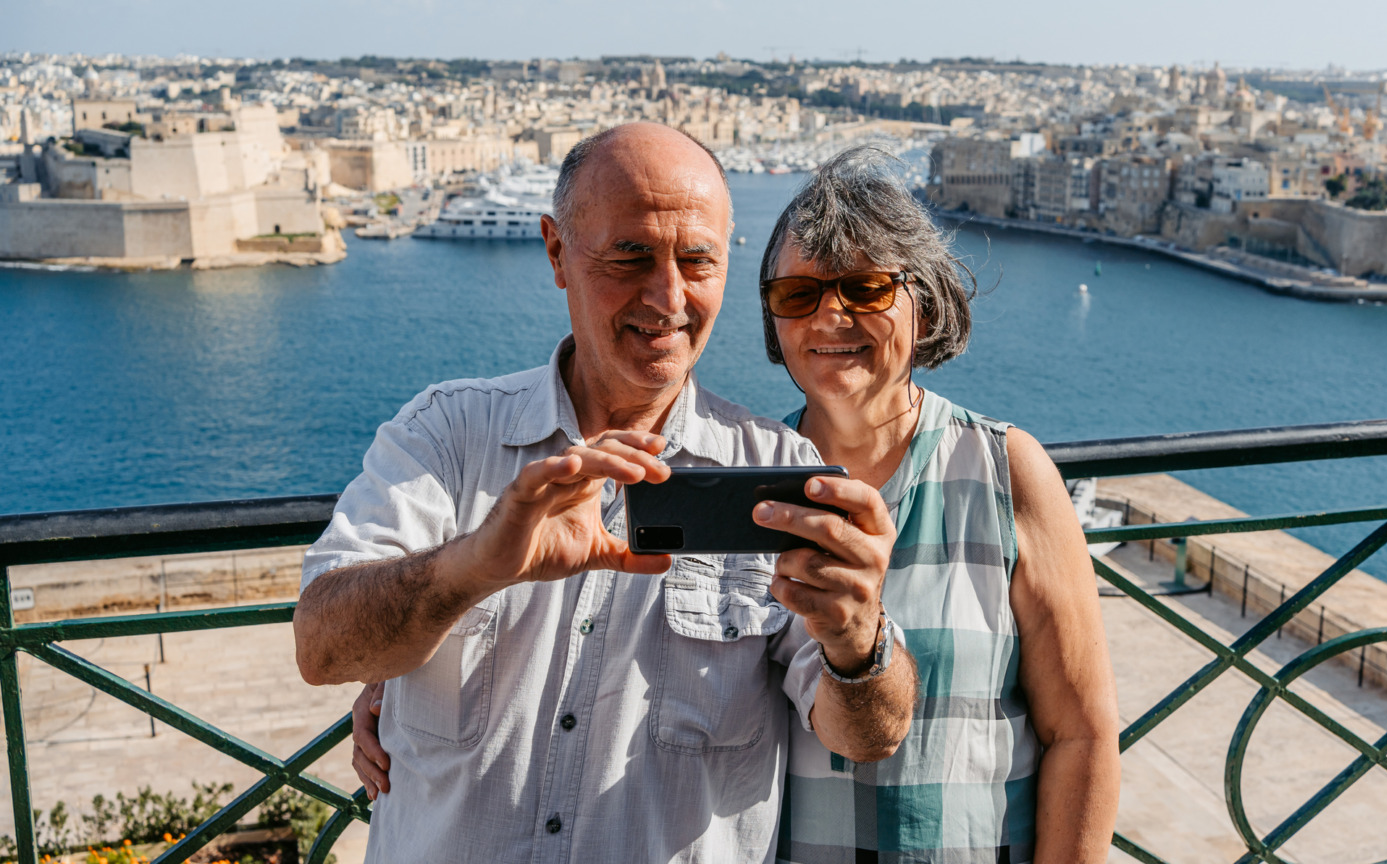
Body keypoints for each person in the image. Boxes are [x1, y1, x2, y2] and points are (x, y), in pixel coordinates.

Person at [295, 123, 917, 864]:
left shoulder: (780, 468)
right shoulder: (449, 434)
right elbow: (322, 647)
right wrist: (475, 565)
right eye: (630, 257)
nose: (669, 296)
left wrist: (858, 640)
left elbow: (868, 736)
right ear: (557, 251)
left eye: (698, 261)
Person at [761, 148, 1120, 863]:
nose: (830, 313)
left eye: (865, 289)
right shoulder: (755, 484)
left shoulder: (1004, 471)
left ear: (922, 307)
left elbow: (1082, 734)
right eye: (799, 294)